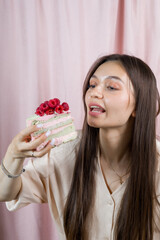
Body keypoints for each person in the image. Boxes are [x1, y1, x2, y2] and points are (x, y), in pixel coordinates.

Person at [0, 54, 160, 240]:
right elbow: (6, 193)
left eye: (111, 87)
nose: (94, 92)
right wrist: (15, 154)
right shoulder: (62, 154)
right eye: (92, 85)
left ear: (138, 106)